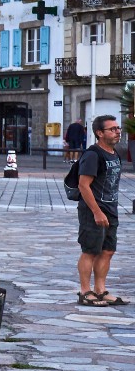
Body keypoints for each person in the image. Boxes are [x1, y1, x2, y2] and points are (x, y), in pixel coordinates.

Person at [78, 114, 124, 306]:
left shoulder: (114, 153)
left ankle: (100, 290)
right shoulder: (92, 155)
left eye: (118, 128)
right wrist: (97, 211)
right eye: (112, 129)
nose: (117, 132)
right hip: (93, 210)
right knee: (90, 250)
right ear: (99, 133)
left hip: (111, 209)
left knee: (107, 251)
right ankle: (84, 291)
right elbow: (83, 185)